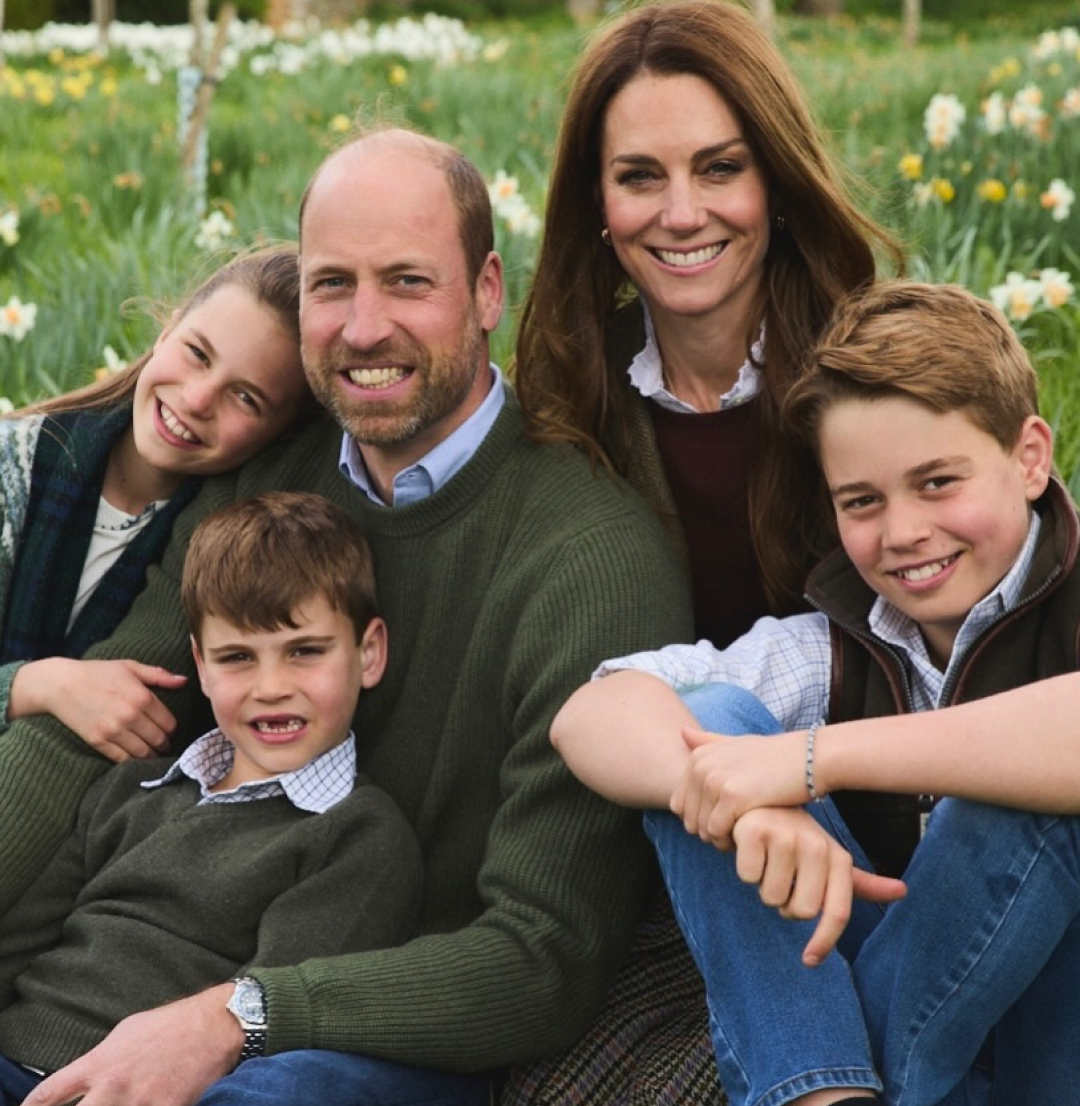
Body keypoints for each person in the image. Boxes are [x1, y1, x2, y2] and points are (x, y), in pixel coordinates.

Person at [0, 126, 691, 1106]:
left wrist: (234, 1013)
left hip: (396, 1027)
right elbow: (103, 716)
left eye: (408, 281)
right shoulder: (270, 468)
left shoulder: (586, 555)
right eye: (332, 284)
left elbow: (543, 957)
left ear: (488, 289)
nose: (363, 327)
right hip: (162, 988)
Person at [552, 281, 1080, 1105]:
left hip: (1047, 1049)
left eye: (938, 482)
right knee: (712, 727)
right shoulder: (837, 641)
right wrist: (742, 797)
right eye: (862, 502)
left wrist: (807, 762)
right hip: (882, 1035)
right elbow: (593, 710)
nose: (902, 532)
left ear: (1030, 456)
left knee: (1014, 781)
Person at [0, 490, 421, 1104]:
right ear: (200, 665)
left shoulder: (357, 834)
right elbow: (19, 942)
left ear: (369, 652)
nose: (271, 687)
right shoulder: (131, 788)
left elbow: (276, 1015)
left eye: (304, 651)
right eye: (237, 658)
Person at [513, 0, 903, 649]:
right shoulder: (559, 398)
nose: (683, 213)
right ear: (597, 203)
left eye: (719, 168)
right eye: (639, 177)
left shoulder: (887, 371)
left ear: (776, 180)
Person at [0, 244, 313, 760]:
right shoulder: (18, 465)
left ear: (279, 437)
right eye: (197, 353)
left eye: (245, 397)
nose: (195, 399)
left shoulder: (225, 547)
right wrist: (41, 685)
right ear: (167, 330)